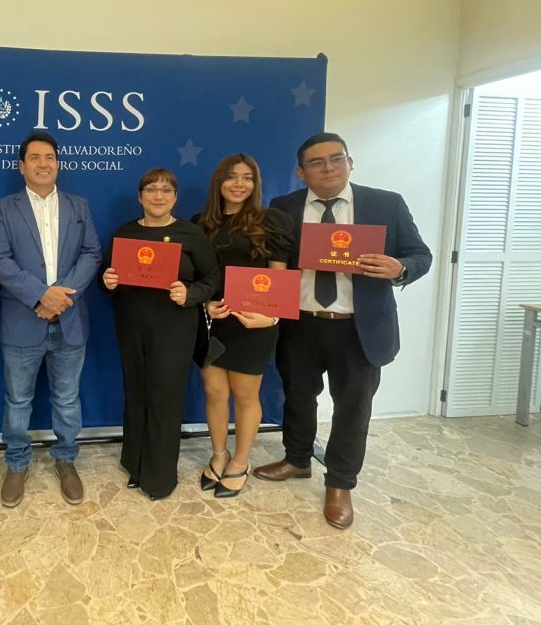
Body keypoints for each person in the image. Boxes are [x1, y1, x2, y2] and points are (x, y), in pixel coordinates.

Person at [253, 133, 431, 529]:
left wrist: (400, 268)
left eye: (336, 159)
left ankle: (339, 483)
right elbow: (273, 262)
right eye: (316, 162)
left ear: (351, 163)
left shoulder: (386, 204)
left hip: (358, 327)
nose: (328, 168)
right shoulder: (284, 207)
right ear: (301, 172)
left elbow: (420, 255)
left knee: (353, 406)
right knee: (297, 396)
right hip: (300, 323)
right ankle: (297, 459)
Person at [0, 131, 101, 508]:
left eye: (49, 157)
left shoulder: (78, 206)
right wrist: (41, 295)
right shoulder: (4, 208)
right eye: (34, 158)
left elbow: (91, 254)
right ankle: (17, 463)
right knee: (18, 400)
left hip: (69, 320)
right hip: (23, 320)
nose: (43, 163)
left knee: (67, 399)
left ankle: (66, 459)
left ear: (58, 164)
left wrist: (60, 298)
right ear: (21, 166)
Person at [100, 168, 219, 499]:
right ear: (140, 196)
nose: (158, 195)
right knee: (136, 391)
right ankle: (134, 464)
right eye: (151, 189)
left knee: (165, 397)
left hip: (175, 327)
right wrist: (107, 281)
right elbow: (105, 277)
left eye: (166, 190)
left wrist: (190, 294)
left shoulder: (190, 233)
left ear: (175, 197)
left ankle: (159, 476)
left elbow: (213, 278)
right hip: (131, 325)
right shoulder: (124, 233)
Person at [193, 154, 292, 498]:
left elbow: (281, 278)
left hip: (255, 324)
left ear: (255, 183)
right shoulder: (200, 223)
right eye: (232, 176)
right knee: (214, 391)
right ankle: (219, 454)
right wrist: (206, 304)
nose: (239, 184)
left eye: (247, 177)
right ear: (218, 181)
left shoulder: (271, 221)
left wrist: (272, 316)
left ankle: (240, 461)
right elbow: (197, 276)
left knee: (246, 396)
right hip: (214, 323)